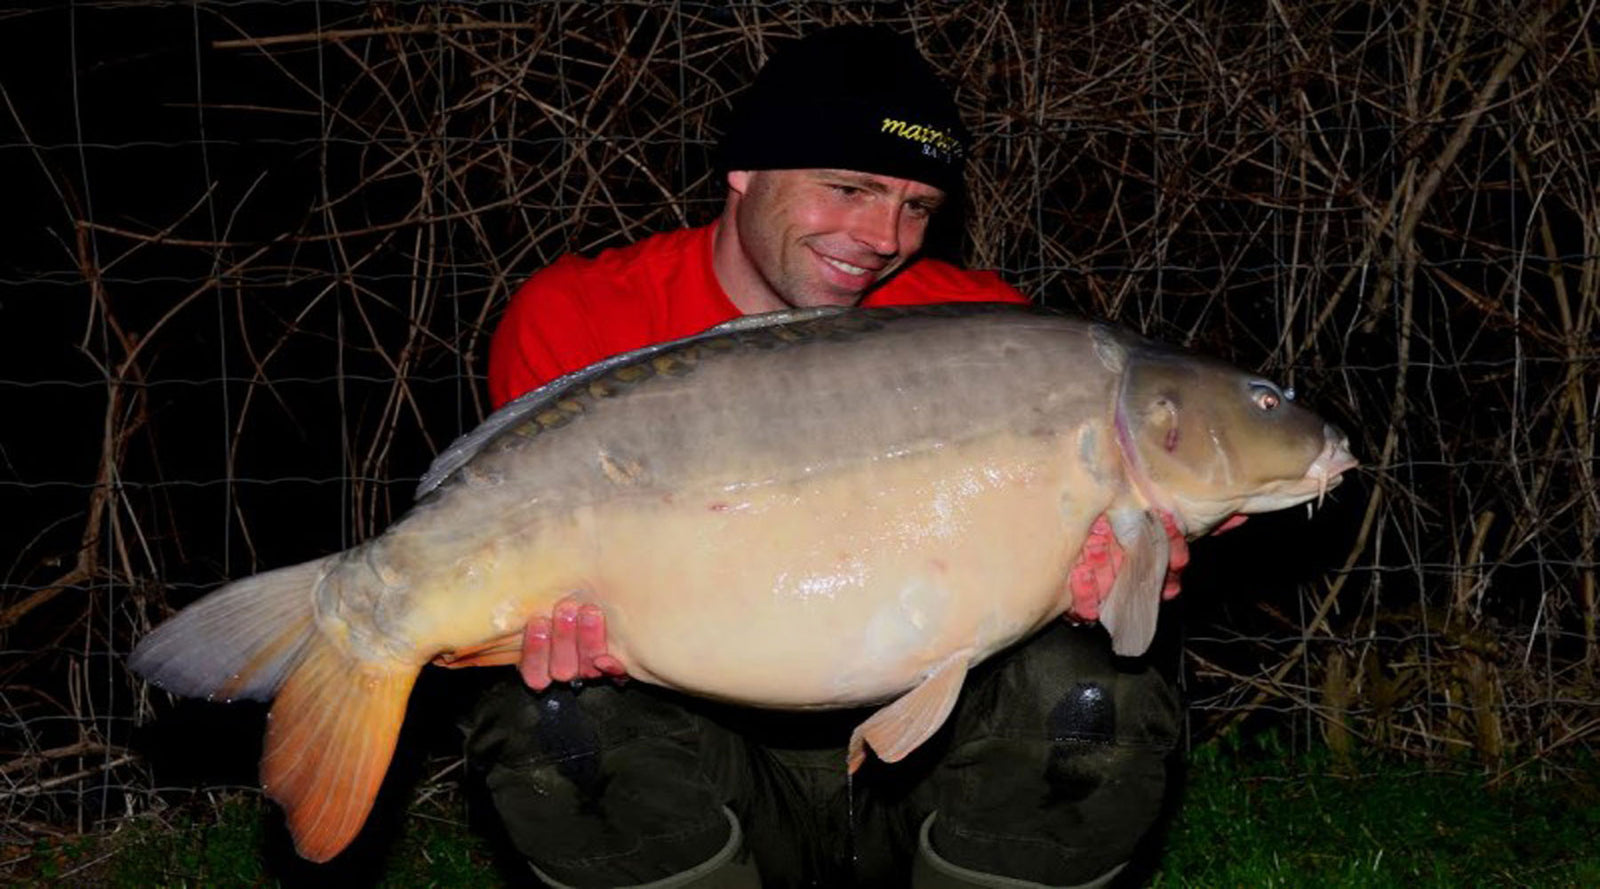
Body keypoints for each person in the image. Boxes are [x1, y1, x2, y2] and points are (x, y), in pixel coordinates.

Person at [463, 25, 1182, 889]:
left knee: (1098, 684)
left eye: (917, 206)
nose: (883, 235)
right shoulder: (579, 318)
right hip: (701, 767)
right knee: (555, 715)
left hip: (924, 778)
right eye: (848, 187)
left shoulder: (984, 328)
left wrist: (1115, 573)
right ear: (745, 170)